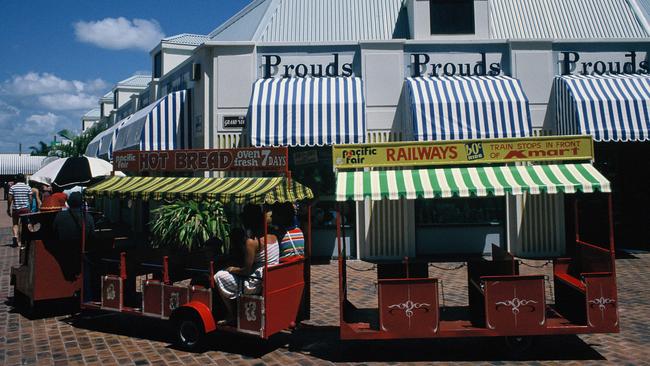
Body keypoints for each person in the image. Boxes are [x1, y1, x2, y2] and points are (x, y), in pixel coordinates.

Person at [214, 204, 279, 325]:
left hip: (256, 283)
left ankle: (232, 314)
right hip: (269, 278)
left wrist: (232, 269)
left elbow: (246, 271)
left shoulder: (252, 242)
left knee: (218, 275)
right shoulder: (274, 236)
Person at [52, 192, 95, 281]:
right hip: (81, 253)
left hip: (63, 253)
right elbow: (92, 236)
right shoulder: (88, 217)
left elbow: (54, 233)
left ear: (69, 202)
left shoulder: (59, 216)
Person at [7, 174, 31, 247]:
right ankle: (23, 240)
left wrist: (8, 208)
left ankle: (15, 237)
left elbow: (9, 199)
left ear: (16, 179)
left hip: (16, 208)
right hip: (25, 209)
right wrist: (28, 205)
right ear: (23, 179)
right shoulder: (28, 187)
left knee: (15, 224)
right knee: (25, 224)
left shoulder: (13, 187)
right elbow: (30, 199)